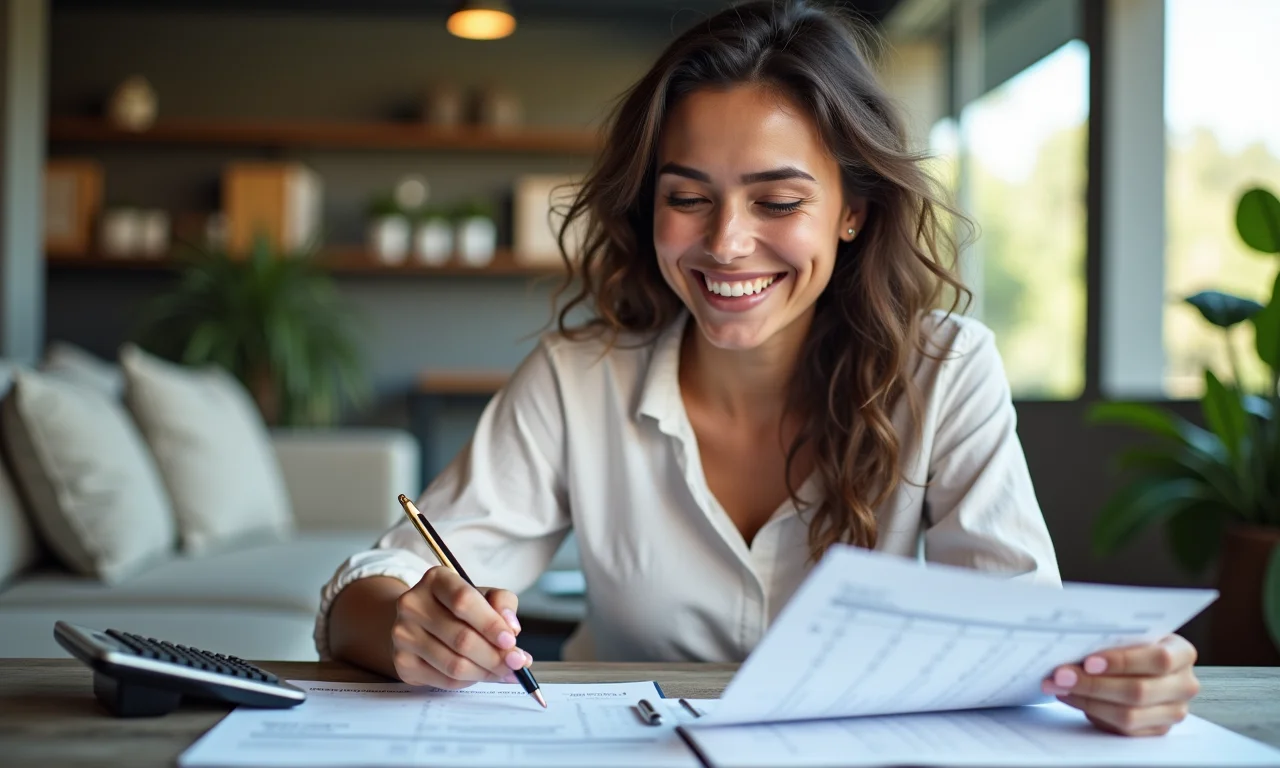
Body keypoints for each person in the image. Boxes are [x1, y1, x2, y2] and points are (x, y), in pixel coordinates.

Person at [319, 0, 1201, 737]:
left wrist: (1111, 677)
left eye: (777, 201)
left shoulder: (946, 369)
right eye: (687, 198)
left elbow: (1017, 626)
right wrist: (410, 624)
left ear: (853, 210)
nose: (726, 243)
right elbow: (370, 583)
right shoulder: (576, 376)